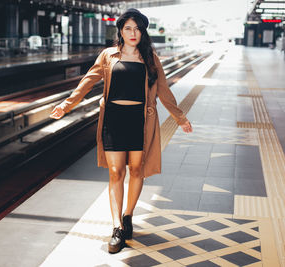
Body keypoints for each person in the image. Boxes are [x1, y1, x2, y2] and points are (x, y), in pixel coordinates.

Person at [50, 8, 192, 254]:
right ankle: (117, 227)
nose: (133, 33)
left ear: (143, 31)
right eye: (128, 28)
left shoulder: (150, 58)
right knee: (116, 172)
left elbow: (164, 91)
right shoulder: (108, 55)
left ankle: (128, 216)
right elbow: (88, 80)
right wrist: (67, 104)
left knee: (136, 169)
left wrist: (179, 118)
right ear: (121, 31)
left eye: (137, 28)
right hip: (113, 119)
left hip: (140, 120)